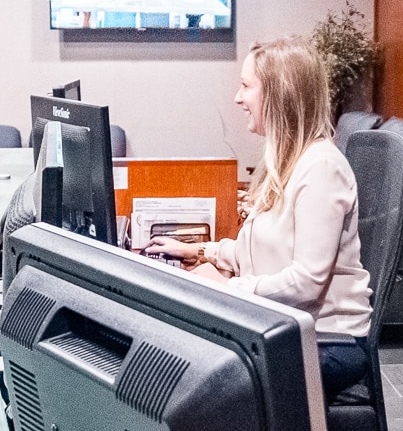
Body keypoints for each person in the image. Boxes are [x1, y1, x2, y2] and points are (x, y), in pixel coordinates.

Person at [144, 41, 372, 397]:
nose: (237, 98)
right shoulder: (283, 161)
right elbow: (261, 252)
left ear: (279, 96)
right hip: (285, 328)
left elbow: (306, 283)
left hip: (328, 341)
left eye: (247, 86)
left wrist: (226, 289)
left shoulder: (322, 168)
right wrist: (201, 252)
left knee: (191, 379)